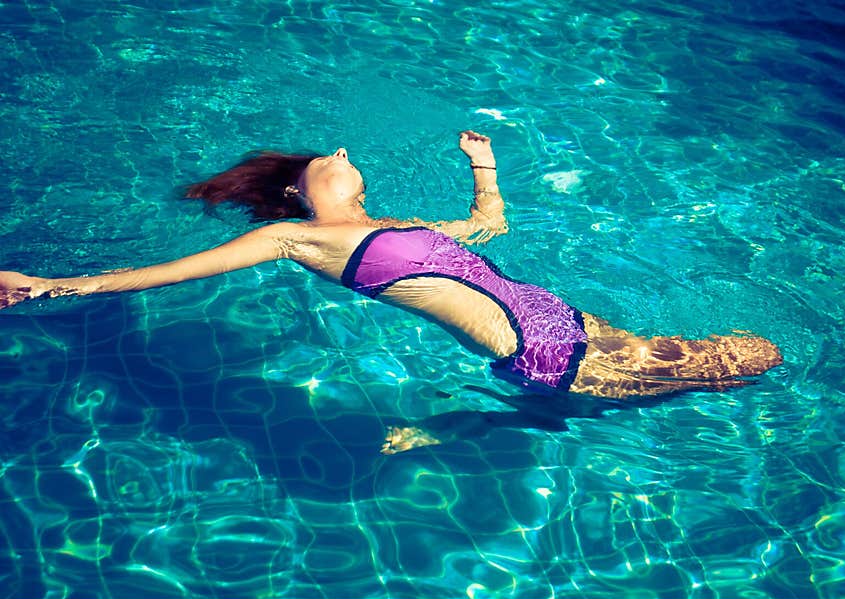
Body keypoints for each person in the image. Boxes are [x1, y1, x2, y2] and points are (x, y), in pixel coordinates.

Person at [0, 131, 782, 453]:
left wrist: (483, 162)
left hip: (577, 327)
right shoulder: (295, 238)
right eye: (322, 157)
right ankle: (460, 424)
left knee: (739, 364)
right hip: (548, 352)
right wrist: (48, 288)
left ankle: (470, 423)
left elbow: (489, 228)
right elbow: (165, 275)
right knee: (757, 357)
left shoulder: (399, 221)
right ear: (302, 194)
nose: (340, 150)